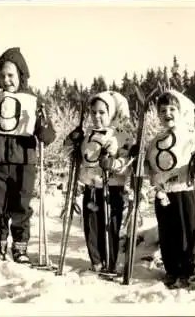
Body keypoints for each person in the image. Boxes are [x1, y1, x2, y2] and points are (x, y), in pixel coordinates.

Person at [0, 47, 56, 263]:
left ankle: (20, 247)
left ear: (21, 75)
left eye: (11, 75)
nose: (6, 80)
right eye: (2, 75)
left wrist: (43, 124)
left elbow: (48, 137)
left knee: (21, 205)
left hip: (24, 159)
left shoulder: (33, 101)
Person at [141, 89, 195, 288]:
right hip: (163, 193)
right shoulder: (155, 141)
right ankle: (172, 270)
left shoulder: (191, 136)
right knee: (168, 233)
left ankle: (189, 270)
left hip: (184, 190)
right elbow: (147, 164)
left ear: (180, 112)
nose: (167, 114)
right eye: (163, 110)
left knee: (186, 232)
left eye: (172, 109)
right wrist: (144, 166)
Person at [65, 91, 133, 274]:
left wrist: (113, 164)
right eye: (93, 112)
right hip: (92, 188)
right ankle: (96, 261)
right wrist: (72, 140)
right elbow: (70, 153)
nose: (97, 116)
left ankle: (110, 261)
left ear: (110, 113)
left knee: (110, 226)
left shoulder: (121, 136)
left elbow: (127, 161)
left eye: (102, 112)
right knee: (91, 226)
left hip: (112, 188)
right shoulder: (87, 135)